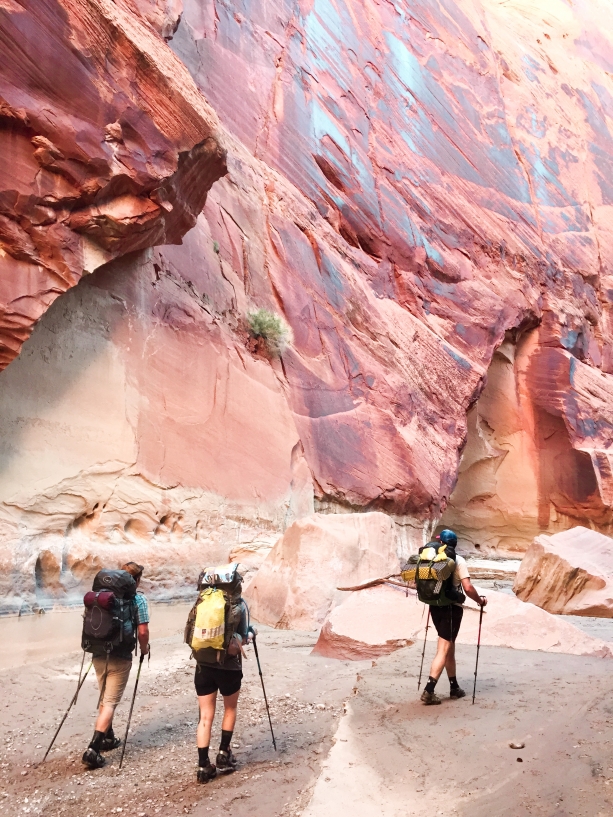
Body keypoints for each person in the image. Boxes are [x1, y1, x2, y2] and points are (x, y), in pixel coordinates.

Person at [82, 562, 150, 769]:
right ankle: (94, 748)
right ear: (136, 580)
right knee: (110, 701)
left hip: (97, 651)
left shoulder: (101, 597)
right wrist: (144, 649)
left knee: (104, 695)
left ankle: (108, 736)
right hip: (120, 655)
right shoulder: (138, 599)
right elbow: (143, 631)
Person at [420, 530, 487, 705]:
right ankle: (429, 690)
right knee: (443, 647)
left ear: (441, 542)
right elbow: (468, 587)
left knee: (449, 646)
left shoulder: (432, 558)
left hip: (435, 606)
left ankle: (454, 687)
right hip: (452, 609)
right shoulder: (458, 561)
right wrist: (480, 601)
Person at [194, 600, 251, 783]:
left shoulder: (203, 600)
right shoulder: (238, 604)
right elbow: (242, 636)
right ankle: (223, 754)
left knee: (205, 716)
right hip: (229, 668)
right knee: (230, 709)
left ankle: (203, 767)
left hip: (203, 665)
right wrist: (250, 634)